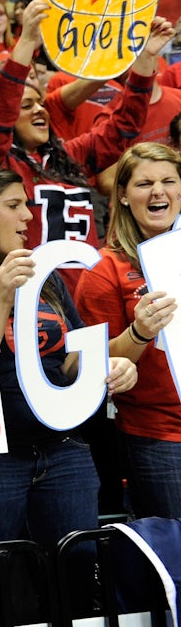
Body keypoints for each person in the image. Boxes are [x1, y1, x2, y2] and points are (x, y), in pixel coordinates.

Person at [0, 166, 137, 627]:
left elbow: (69, 358)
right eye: (14, 205)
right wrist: (0, 296)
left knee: (75, 581)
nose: (28, 215)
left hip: (61, 452)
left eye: (27, 204)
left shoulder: (44, 277)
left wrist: (122, 355)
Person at [0, 1, 173, 289]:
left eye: (41, 102)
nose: (40, 110)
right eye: (26, 105)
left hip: (86, 291)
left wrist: (146, 59)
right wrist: (26, 42)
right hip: (32, 298)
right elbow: (0, 112)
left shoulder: (69, 155)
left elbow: (125, 126)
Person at [76, 143, 181, 518]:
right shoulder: (104, 270)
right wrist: (139, 331)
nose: (159, 191)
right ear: (122, 196)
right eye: (144, 183)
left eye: (169, 180)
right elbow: (93, 363)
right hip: (160, 434)